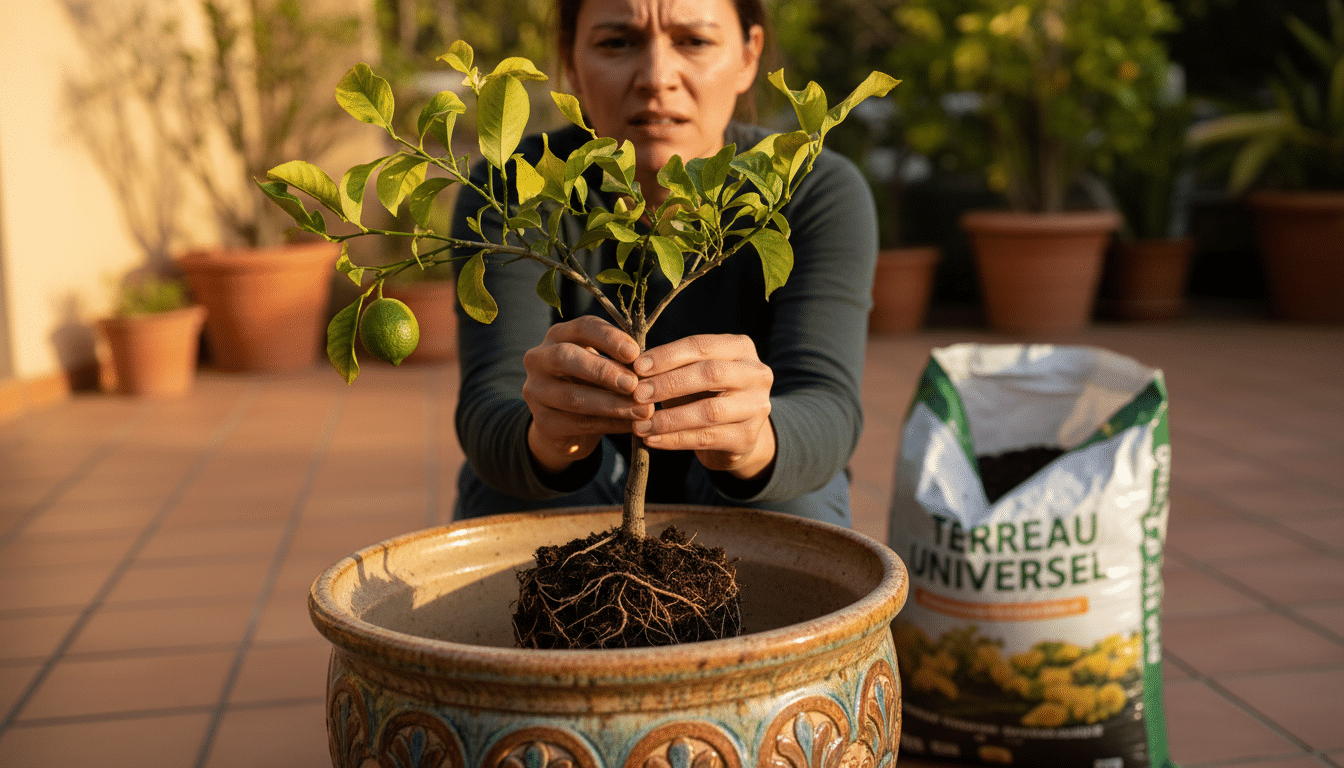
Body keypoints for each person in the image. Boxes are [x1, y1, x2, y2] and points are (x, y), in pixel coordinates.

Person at [450, 0, 879, 527]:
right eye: (617, 43)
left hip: (745, 487)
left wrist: (754, 442)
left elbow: (826, 402)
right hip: (574, 483)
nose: (656, 77)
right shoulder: (513, 193)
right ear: (570, 61)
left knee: (792, 505)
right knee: (514, 504)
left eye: (694, 41)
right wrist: (545, 437)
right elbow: (489, 407)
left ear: (749, 56)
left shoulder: (809, 190)